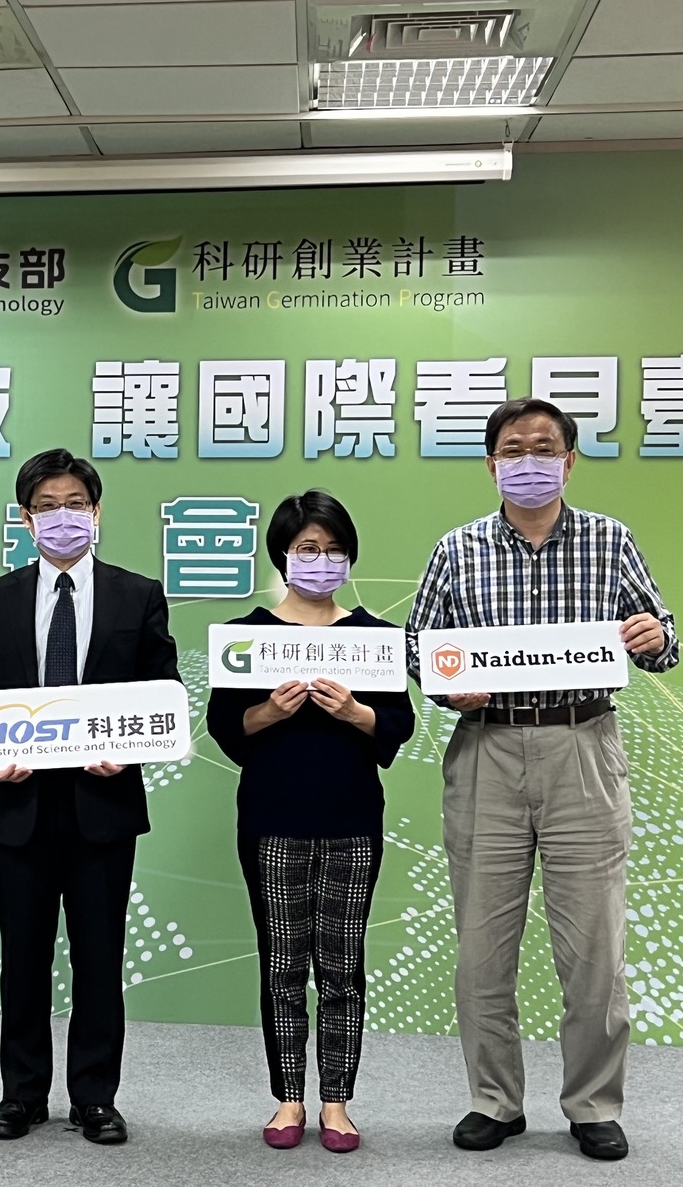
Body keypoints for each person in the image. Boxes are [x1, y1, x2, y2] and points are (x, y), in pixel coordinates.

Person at [405, 398, 677, 1162]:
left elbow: (662, 640)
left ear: (570, 458)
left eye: (544, 446)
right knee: (482, 949)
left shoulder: (609, 541)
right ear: (491, 463)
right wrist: (440, 681)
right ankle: (494, 1100)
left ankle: (593, 1102)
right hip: (487, 751)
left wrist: (654, 635)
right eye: (513, 448)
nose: (529, 460)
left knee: (594, 946)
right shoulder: (456, 549)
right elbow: (415, 648)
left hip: (582, 746)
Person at [0, 448, 178, 1147]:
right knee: (22, 957)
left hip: (102, 807)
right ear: (25, 518)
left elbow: (163, 698)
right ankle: (20, 1095)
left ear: (97, 512)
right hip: (20, 808)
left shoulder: (136, 594)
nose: (62, 517)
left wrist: (131, 749)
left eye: (74, 503)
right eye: (47, 506)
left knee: (99, 957)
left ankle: (94, 1098)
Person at [205, 490, 414, 1153]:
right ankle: (288, 1098)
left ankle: (338, 1103)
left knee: (343, 964)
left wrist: (356, 712)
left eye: (331, 551)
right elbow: (226, 730)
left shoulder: (376, 639)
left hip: (352, 818)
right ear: (283, 556)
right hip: (272, 820)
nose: (320, 562)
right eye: (306, 550)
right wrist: (271, 710)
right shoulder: (249, 636)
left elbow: (399, 726)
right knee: (282, 963)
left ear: (349, 558)